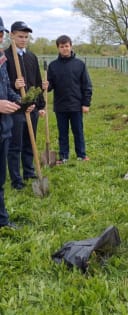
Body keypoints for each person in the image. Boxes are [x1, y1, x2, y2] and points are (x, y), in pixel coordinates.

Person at [5, 21, 45, 190]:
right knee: (15, 146)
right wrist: (14, 84)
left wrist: (39, 105)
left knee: (30, 141)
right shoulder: (4, 57)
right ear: (11, 35)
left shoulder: (31, 57)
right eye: (20, 36)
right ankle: (16, 179)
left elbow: (36, 82)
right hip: (15, 109)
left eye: (26, 37)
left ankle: (29, 171)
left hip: (32, 108)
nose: (23, 40)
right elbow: (3, 85)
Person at [44, 35, 92, 164]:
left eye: (66, 46)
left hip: (76, 105)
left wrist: (86, 104)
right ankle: (64, 156)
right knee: (62, 133)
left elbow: (86, 85)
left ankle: (81, 155)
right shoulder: (53, 66)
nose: (64, 49)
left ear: (71, 46)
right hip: (60, 106)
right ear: (58, 48)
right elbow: (50, 87)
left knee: (78, 131)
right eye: (61, 47)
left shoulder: (80, 65)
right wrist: (46, 86)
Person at [0, 17, 25, 228]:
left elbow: (7, 88)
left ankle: (2, 221)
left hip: (4, 128)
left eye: (0, 34)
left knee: (0, 180)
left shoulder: (1, 58)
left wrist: (18, 99)